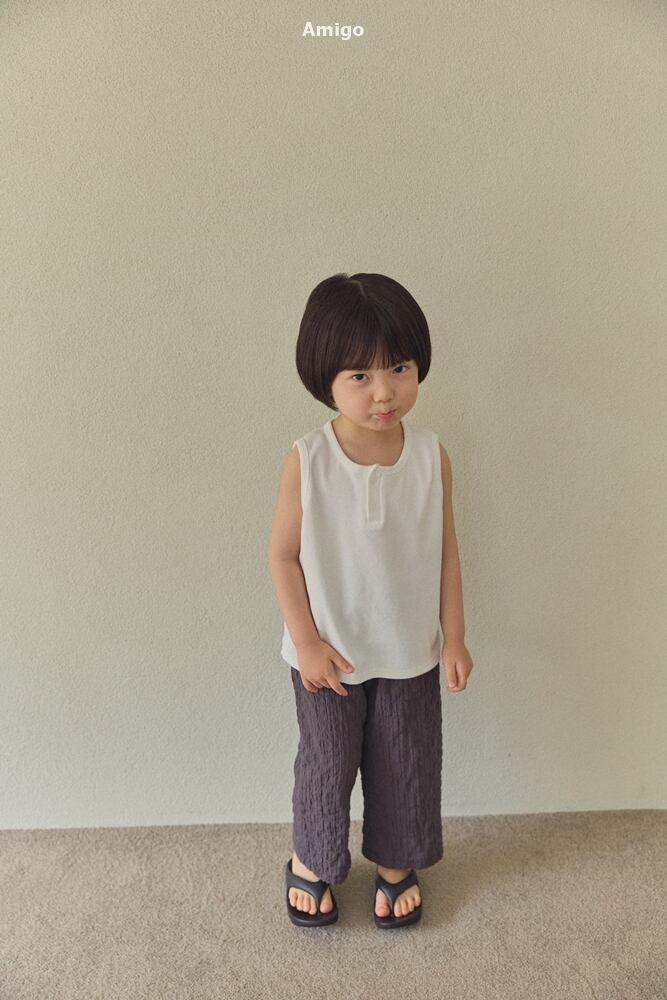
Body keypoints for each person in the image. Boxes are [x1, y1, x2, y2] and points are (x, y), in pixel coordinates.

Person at [268, 272, 474, 928]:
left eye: (399, 369)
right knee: (326, 763)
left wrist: (454, 636)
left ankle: (395, 860)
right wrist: (306, 643)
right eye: (360, 375)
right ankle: (312, 859)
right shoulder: (308, 460)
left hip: (408, 651)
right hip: (328, 656)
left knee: (405, 761)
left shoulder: (431, 457)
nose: (383, 391)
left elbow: (446, 553)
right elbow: (282, 557)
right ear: (324, 376)